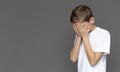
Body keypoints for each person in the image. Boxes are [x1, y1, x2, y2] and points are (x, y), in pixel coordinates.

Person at [70, 5, 111, 72]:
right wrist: (79, 36)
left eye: (82, 26)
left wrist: (85, 37)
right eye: (77, 27)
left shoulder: (103, 34)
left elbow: (93, 61)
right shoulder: (80, 34)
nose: (79, 29)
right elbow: (73, 58)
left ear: (91, 20)